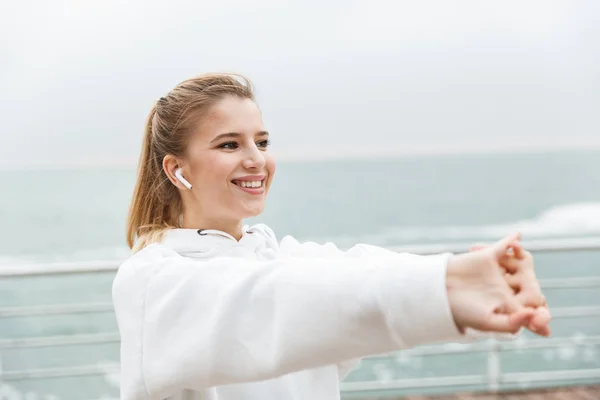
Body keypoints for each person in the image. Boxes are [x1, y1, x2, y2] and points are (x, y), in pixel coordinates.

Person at [112, 73, 551, 400]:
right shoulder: (153, 283)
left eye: (261, 142)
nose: (256, 160)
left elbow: (356, 280)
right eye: (229, 145)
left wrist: (476, 284)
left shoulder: (286, 259)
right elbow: (267, 306)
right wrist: (446, 287)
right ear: (176, 169)